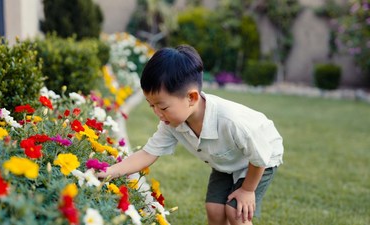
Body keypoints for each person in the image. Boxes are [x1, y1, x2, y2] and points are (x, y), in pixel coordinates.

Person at [97, 45, 284, 225]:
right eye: (151, 105)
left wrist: (247, 190)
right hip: (227, 160)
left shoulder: (230, 121)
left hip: (261, 157)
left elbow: (260, 156)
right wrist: (111, 171)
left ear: (192, 98)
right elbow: (148, 153)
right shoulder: (171, 123)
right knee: (215, 209)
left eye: (162, 107)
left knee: (236, 212)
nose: (157, 113)